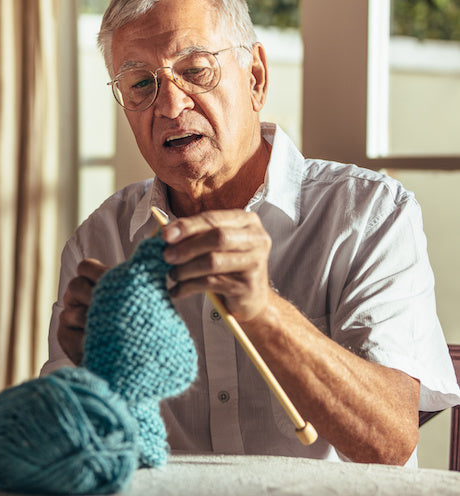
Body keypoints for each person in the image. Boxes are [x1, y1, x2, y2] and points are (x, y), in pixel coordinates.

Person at [42, 0, 460, 466]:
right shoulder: (100, 241)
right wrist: (98, 375)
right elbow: (69, 453)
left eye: (195, 70)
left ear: (255, 77)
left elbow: (391, 441)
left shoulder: (370, 212)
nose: (170, 104)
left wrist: (265, 312)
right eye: (141, 83)